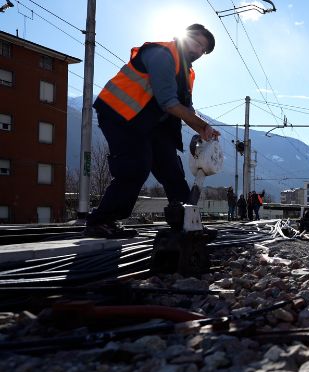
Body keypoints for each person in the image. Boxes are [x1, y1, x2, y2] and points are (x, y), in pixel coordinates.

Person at [83, 24, 220, 238]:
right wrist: (202, 125)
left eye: (203, 50)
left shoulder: (187, 72)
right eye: (197, 42)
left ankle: (187, 222)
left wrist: (203, 128)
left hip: (150, 123)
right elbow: (168, 102)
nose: (199, 51)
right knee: (135, 165)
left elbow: (184, 106)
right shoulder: (162, 54)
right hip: (121, 115)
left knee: (172, 172)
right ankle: (100, 221)